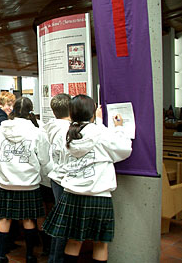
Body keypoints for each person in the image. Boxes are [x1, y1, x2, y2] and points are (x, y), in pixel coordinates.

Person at [43, 95, 132, 263]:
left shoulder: (67, 134)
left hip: (72, 194)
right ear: (92, 114)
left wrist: (96, 121)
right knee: (100, 243)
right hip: (98, 196)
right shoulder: (102, 133)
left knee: (73, 240)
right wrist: (118, 128)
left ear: (71, 113)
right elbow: (124, 149)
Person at [0, 97, 51, 263]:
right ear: (30, 112)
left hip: (6, 182)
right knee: (29, 219)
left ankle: (1, 257)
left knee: (4, 218)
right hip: (29, 183)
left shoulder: (1, 130)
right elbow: (44, 159)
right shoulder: (37, 132)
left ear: (13, 111)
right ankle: (30, 256)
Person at [43, 93, 72, 262]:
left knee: (60, 220)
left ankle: (54, 257)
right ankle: (56, 259)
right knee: (63, 223)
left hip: (56, 177)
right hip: (63, 179)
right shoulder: (66, 130)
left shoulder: (51, 127)